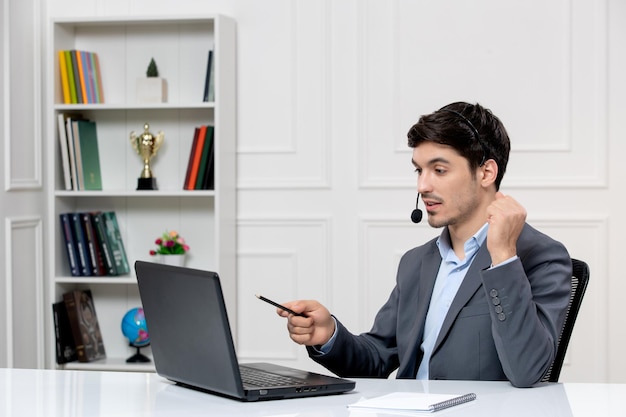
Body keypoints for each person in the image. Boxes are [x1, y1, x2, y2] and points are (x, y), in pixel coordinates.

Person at [277, 101, 572, 388]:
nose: (422, 186)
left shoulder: (541, 256)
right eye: (419, 170)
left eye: (439, 170)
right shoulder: (416, 262)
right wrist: (329, 335)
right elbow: (378, 357)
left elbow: (528, 371)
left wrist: (504, 258)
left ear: (486, 172)